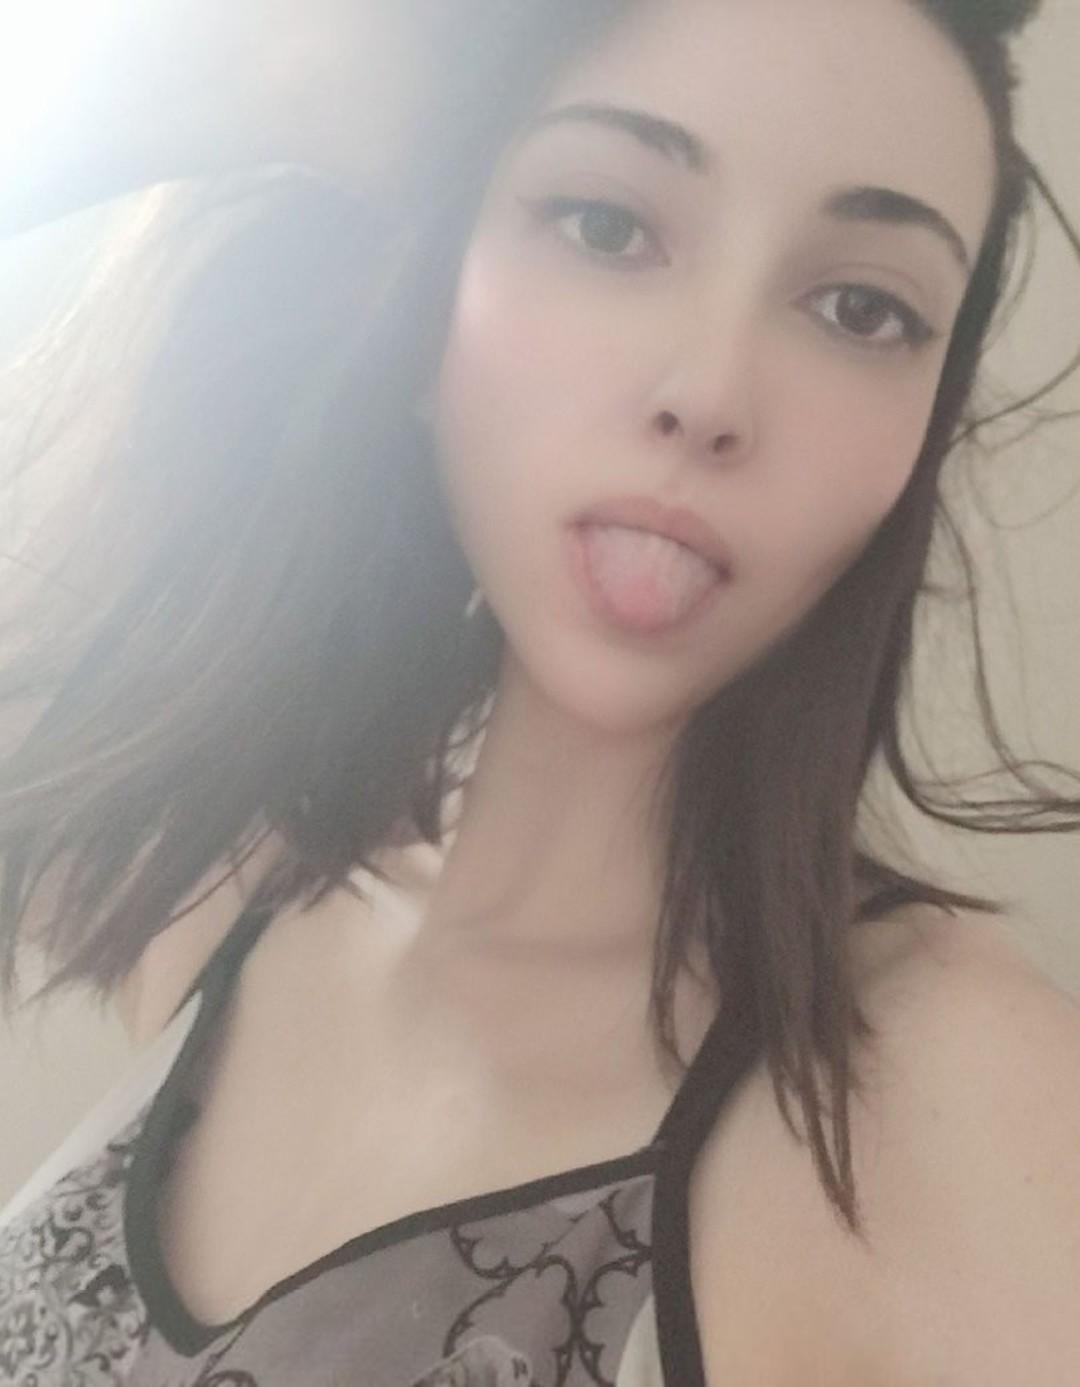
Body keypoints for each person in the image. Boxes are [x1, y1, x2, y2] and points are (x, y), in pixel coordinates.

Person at [0, 0, 1079, 1382]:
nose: (708, 391)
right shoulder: (232, 884)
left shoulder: (943, 1094)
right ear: (426, 286)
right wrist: (272, 75)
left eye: (862, 309)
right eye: (607, 225)